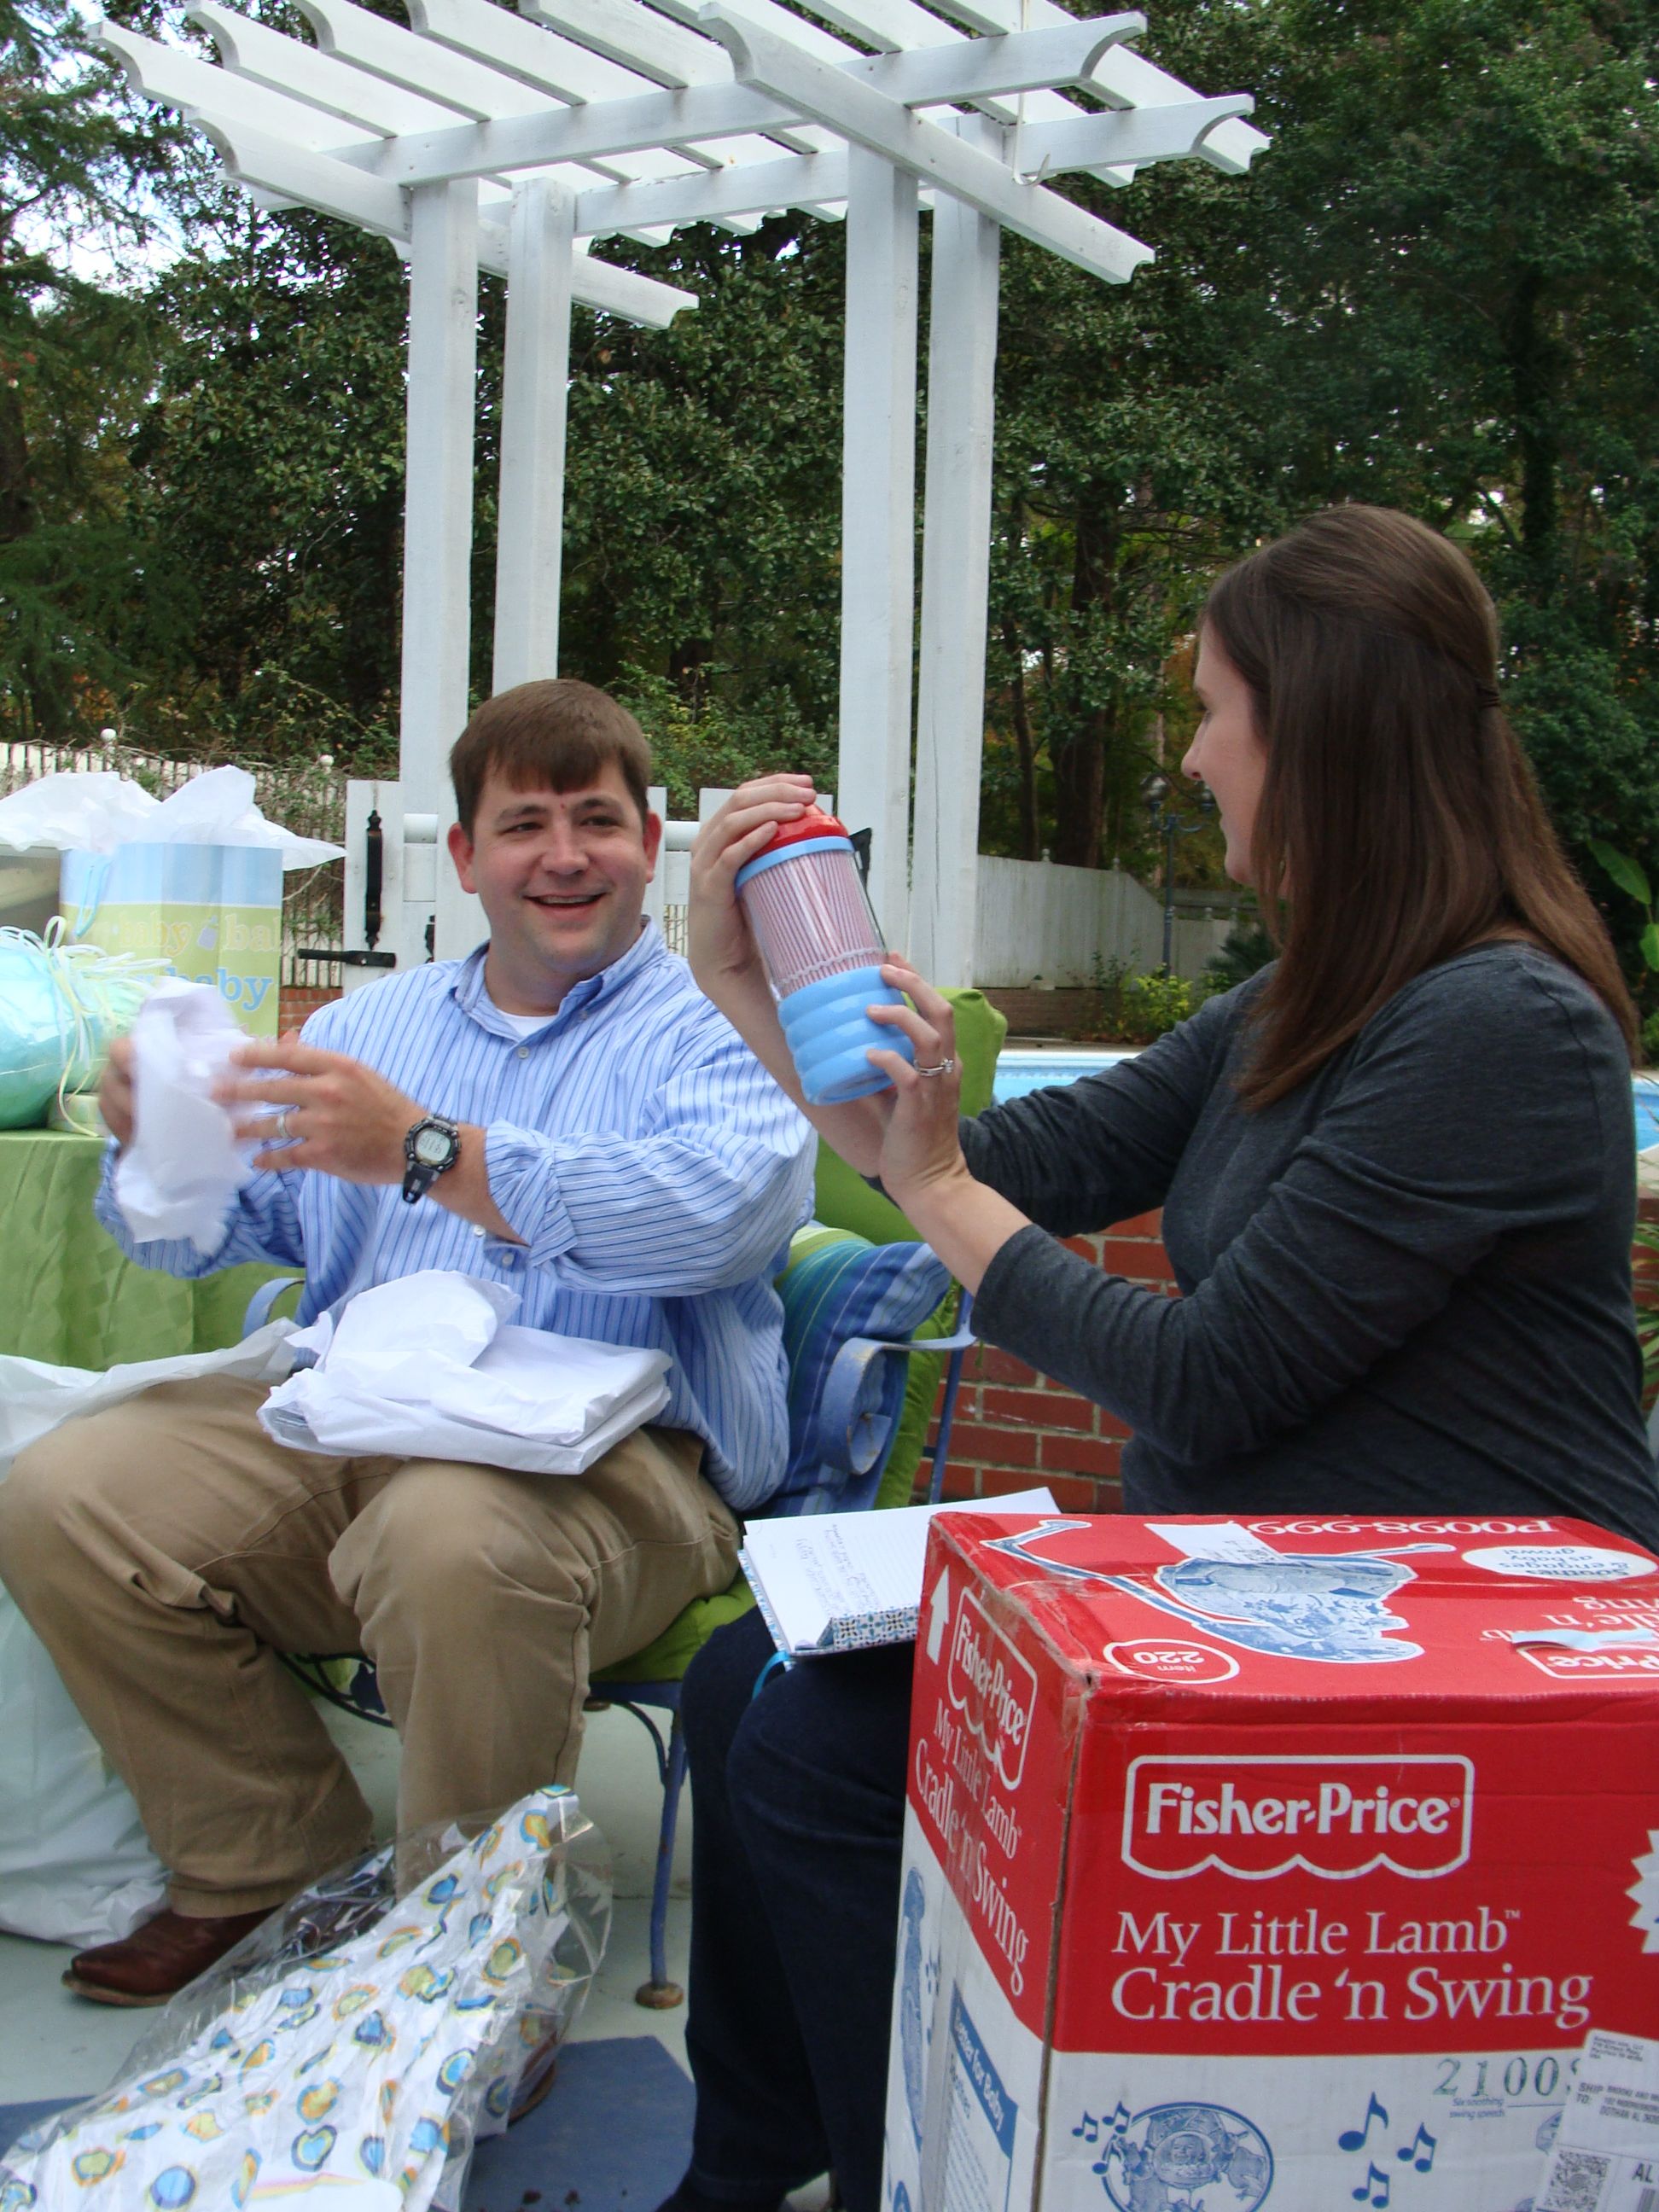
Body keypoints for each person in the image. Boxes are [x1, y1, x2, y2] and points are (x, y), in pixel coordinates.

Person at [655, 505, 1659, 2212]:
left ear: (1318, 727)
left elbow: (1199, 1376)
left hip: (1443, 1631)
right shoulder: (1302, 999)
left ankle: (931, 2179)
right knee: (741, 1680)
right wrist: (748, 987)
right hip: (1255, 1592)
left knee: (824, 1754)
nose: (1191, 756)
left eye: (1212, 709)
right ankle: (758, 2167)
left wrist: (943, 1178)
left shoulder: (1502, 1023)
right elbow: (983, 1171)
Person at [0, 678, 814, 2011]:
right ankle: (265, 1860)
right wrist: (158, 1140)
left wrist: (431, 1153)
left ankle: (471, 1957)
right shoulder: (371, 1029)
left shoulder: (717, 1027)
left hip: (619, 1468)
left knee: (447, 1535)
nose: (563, 856)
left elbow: (717, 1224)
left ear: (648, 843)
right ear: (466, 857)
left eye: (597, 821)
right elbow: (219, 1231)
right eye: (525, 823)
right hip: (358, 1416)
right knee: (65, 1495)